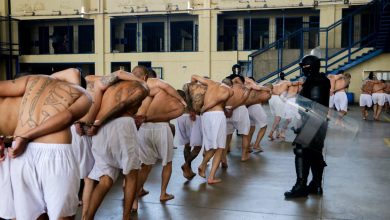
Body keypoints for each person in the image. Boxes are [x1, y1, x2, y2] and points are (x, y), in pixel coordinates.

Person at [0, 73, 92, 219]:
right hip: (55, 152)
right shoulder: (84, 94)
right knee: (63, 216)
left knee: (32, 215)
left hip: (21, 154)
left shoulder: (34, 79)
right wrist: (27, 137)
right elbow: (67, 117)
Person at [85, 66, 149, 220]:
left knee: (105, 178)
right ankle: (126, 217)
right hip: (119, 125)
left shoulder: (112, 86)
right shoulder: (143, 87)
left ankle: (88, 217)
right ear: (145, 77)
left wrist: (94, 123)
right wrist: (97, 125)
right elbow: (121, 106)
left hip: (101, 130)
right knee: (131, 174)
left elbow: (92, 89)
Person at [132, 77, 186, 211]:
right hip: (161, 128)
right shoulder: (180, 107)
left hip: (144, 129)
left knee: (146, 165)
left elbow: (145, 93)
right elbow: (165, 118)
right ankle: (163, 194)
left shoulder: (158, 92)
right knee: (167, 163)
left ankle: (134, 197)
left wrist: (144, 117)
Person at [284, 55, 330, 198]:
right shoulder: (322, 80)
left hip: (312, 121)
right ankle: (316, 185)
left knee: (301, 151)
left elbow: (314, 105)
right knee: (315, 153)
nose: (302, 68)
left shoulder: (315, 81)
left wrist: (303, 124)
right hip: (319, 122)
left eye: (304, 66)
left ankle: (301, 186)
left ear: (308, 67)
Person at [191, 75, 233, 184]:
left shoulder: (211, 83)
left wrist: (193, 93)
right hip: (217, 116)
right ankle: (209, 175)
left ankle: (203, 166)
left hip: (206, 117)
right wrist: (206, 107)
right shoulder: (229, 90)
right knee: (219, 147)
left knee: (211, 145)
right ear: (230, 85)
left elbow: (193, 76)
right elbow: (218, 100)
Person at [176, 87, 203, 180]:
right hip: (192, 118)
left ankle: (188, 170)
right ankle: (186, 165)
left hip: (180, 117)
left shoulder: (177, 95)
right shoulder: (199, 90)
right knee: (198, 146)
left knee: (187, 145)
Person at [244, 77, 272, 152]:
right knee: (264, 126)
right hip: (255, 107)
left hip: (247, 108)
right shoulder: (256, 87)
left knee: (251, 127)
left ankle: (248, 146)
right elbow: (264, 99)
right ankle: (256, 144)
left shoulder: (245, 87)